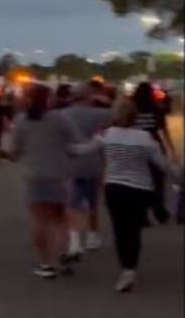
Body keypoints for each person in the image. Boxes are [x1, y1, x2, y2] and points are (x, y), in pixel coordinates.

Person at [69, 99, 178, 292]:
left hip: (114, 188)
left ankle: (124, 269)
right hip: (139, 189)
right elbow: (163, 166)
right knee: (134, 230)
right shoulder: (145, 138)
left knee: (120, 230)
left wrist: (60, 146)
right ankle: (130, 269)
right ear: (135, 115)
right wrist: (179, 175)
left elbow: (82, 150)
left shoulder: (107, 135)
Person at [9, 84, 81, 279]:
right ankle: (62, 255)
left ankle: (45, 263)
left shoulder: (21, 121)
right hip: (57, 175)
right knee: (59, 219)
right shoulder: (60, 119)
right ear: (48, 99)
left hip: (33, 176)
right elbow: (75, 141)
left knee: (39, 221)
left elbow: (14, 152)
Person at [62, 83, 112, 260]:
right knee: (92, 202)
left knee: (72, 204)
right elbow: (117, 115)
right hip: (93, 162)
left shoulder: (64, 114)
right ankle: (92, 235)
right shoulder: (98, 114)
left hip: (70, 163)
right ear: (89, 97)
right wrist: (105, 100)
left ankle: (74, 239)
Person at [132, 82, 176, 224]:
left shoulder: (133, 109)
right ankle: (159, 211)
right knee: (158, 180)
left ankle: (142, 215)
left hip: (137, 146)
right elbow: (164, 129)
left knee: (139, 180)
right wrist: (171, 148)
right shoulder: (156, 108)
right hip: (155, 145)